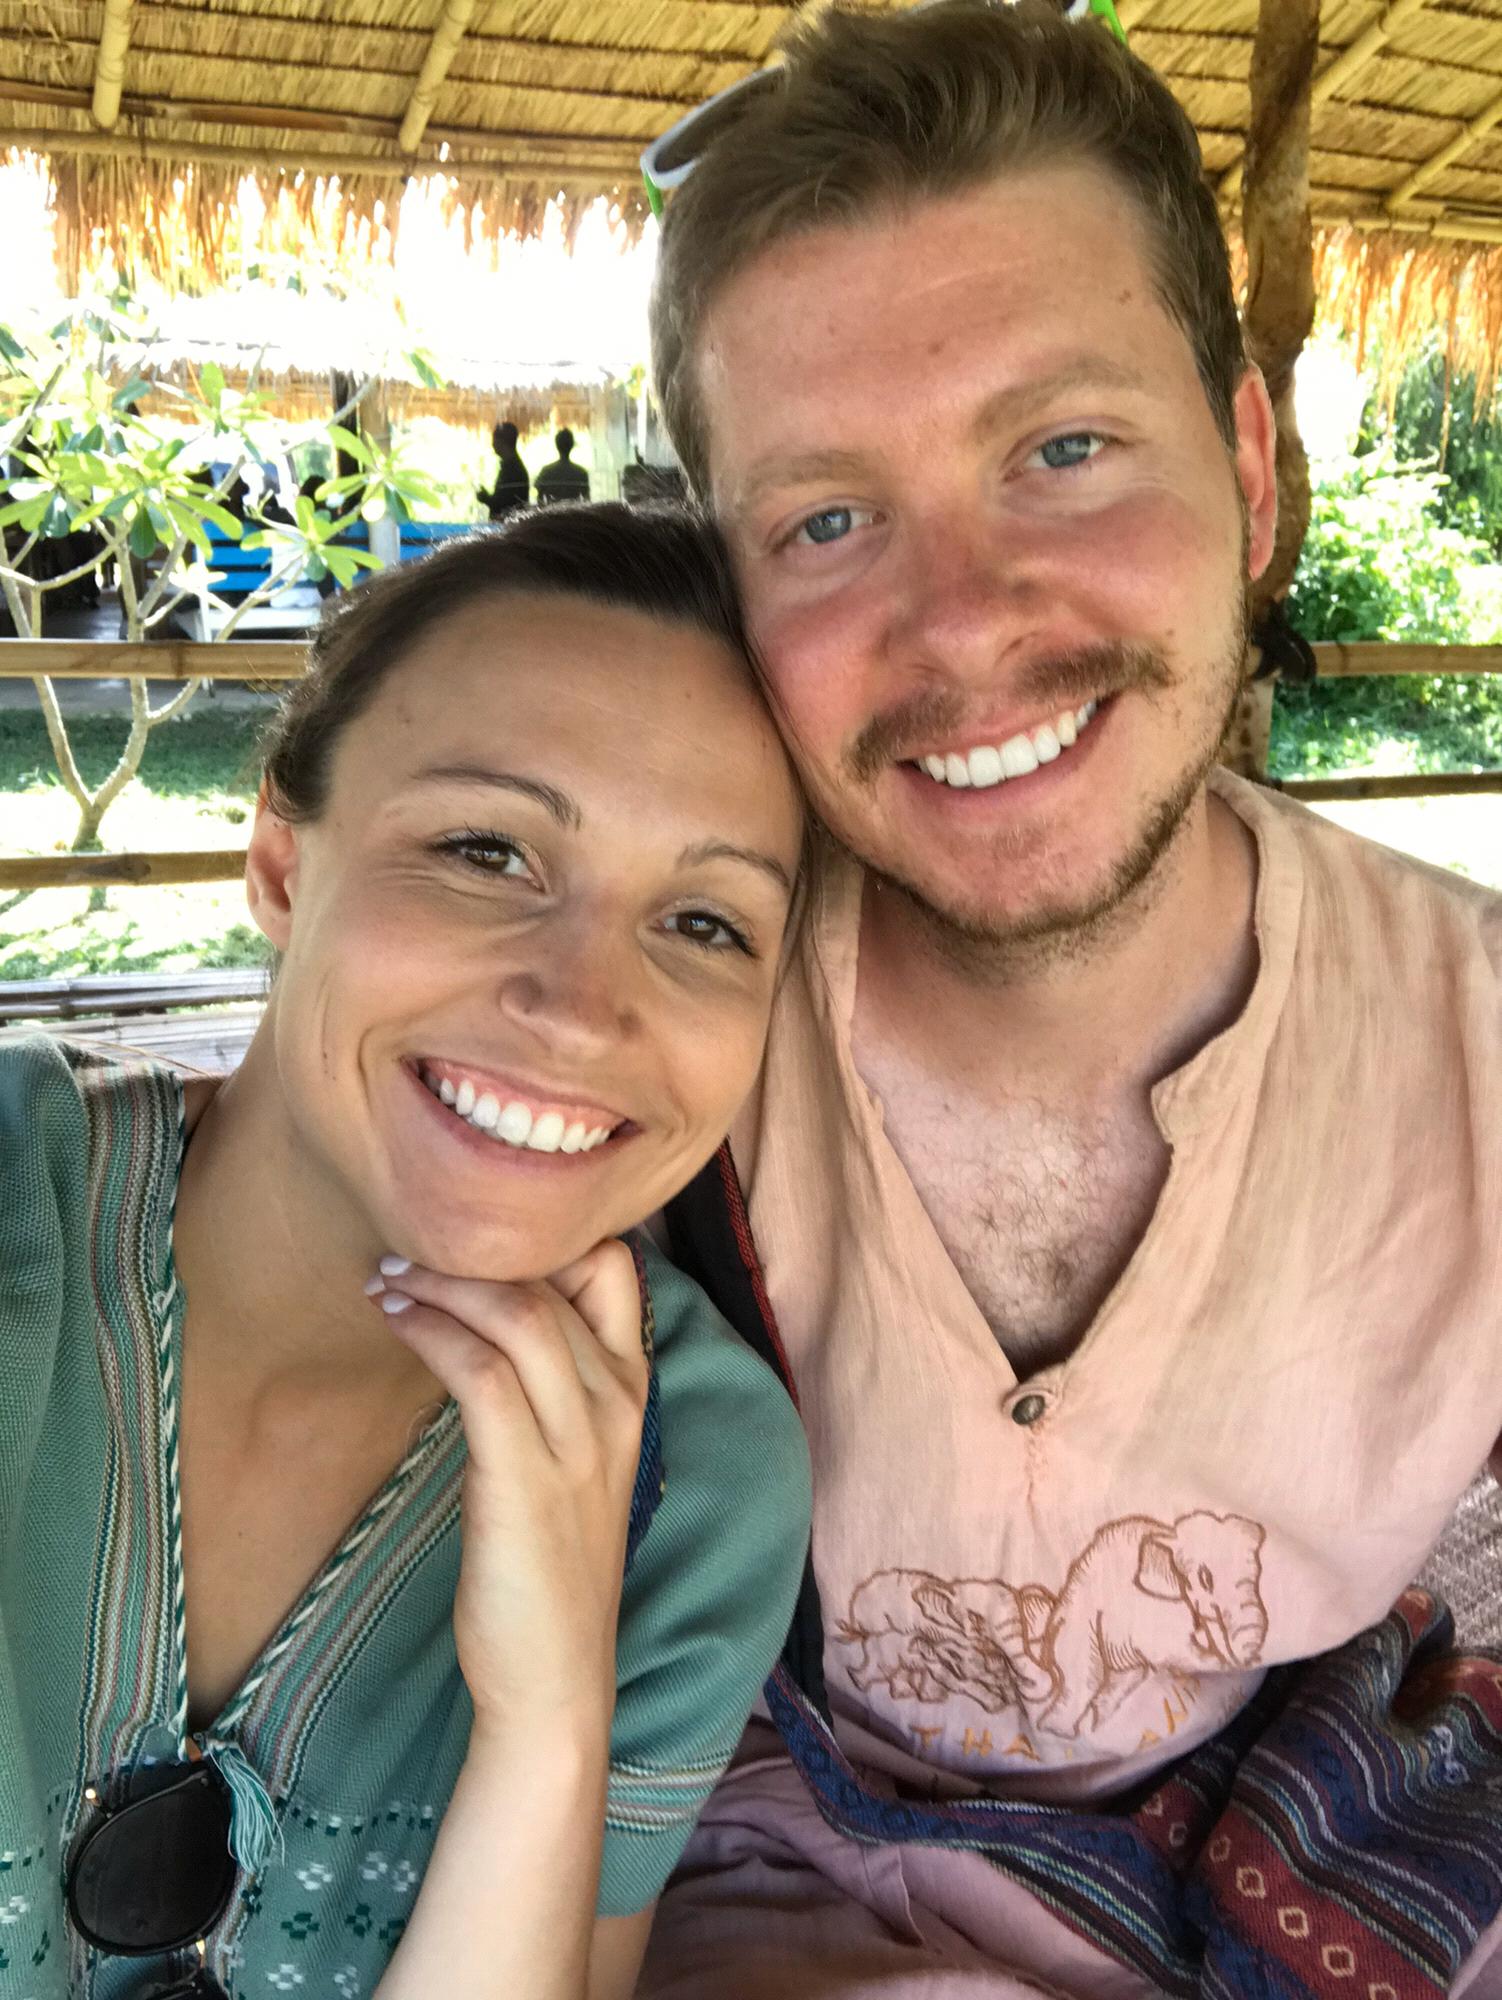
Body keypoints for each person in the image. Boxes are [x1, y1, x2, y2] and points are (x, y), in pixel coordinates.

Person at [638, 4, 1502, 1994]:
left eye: (1061, 449)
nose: (961, 622)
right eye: (826, 519)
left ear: (1251, 472)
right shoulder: (641, 1042)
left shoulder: (1474, 1054)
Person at [0, 506, 811, 2000]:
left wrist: (547, 1726)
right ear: (280, 862)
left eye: (704, 921)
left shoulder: (694, 1482)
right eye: (484, 850)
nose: (579, 1008)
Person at [477, 418, 531, 520]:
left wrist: (485, 498)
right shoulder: (512, 467)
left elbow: (505, 505)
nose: (492, 444)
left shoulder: (513, 470)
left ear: (502, 442)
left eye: (494, 440)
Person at [536, 427, 592, 505]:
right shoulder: (581, 473)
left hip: (552, 512)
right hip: (573, 512)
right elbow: (587, 501)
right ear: (572, 445)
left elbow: (540, 500)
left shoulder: (546, 471)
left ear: (556, 445)